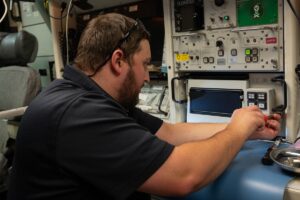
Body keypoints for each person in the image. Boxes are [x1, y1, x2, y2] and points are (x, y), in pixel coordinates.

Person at [8, 13, 281, 200]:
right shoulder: (78, 114)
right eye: (145, 64)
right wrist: (235, 132)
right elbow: (184, 176)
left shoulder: (89, 95)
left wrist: (247, 128)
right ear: (118, 61)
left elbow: (171, 133)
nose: (148, 77)